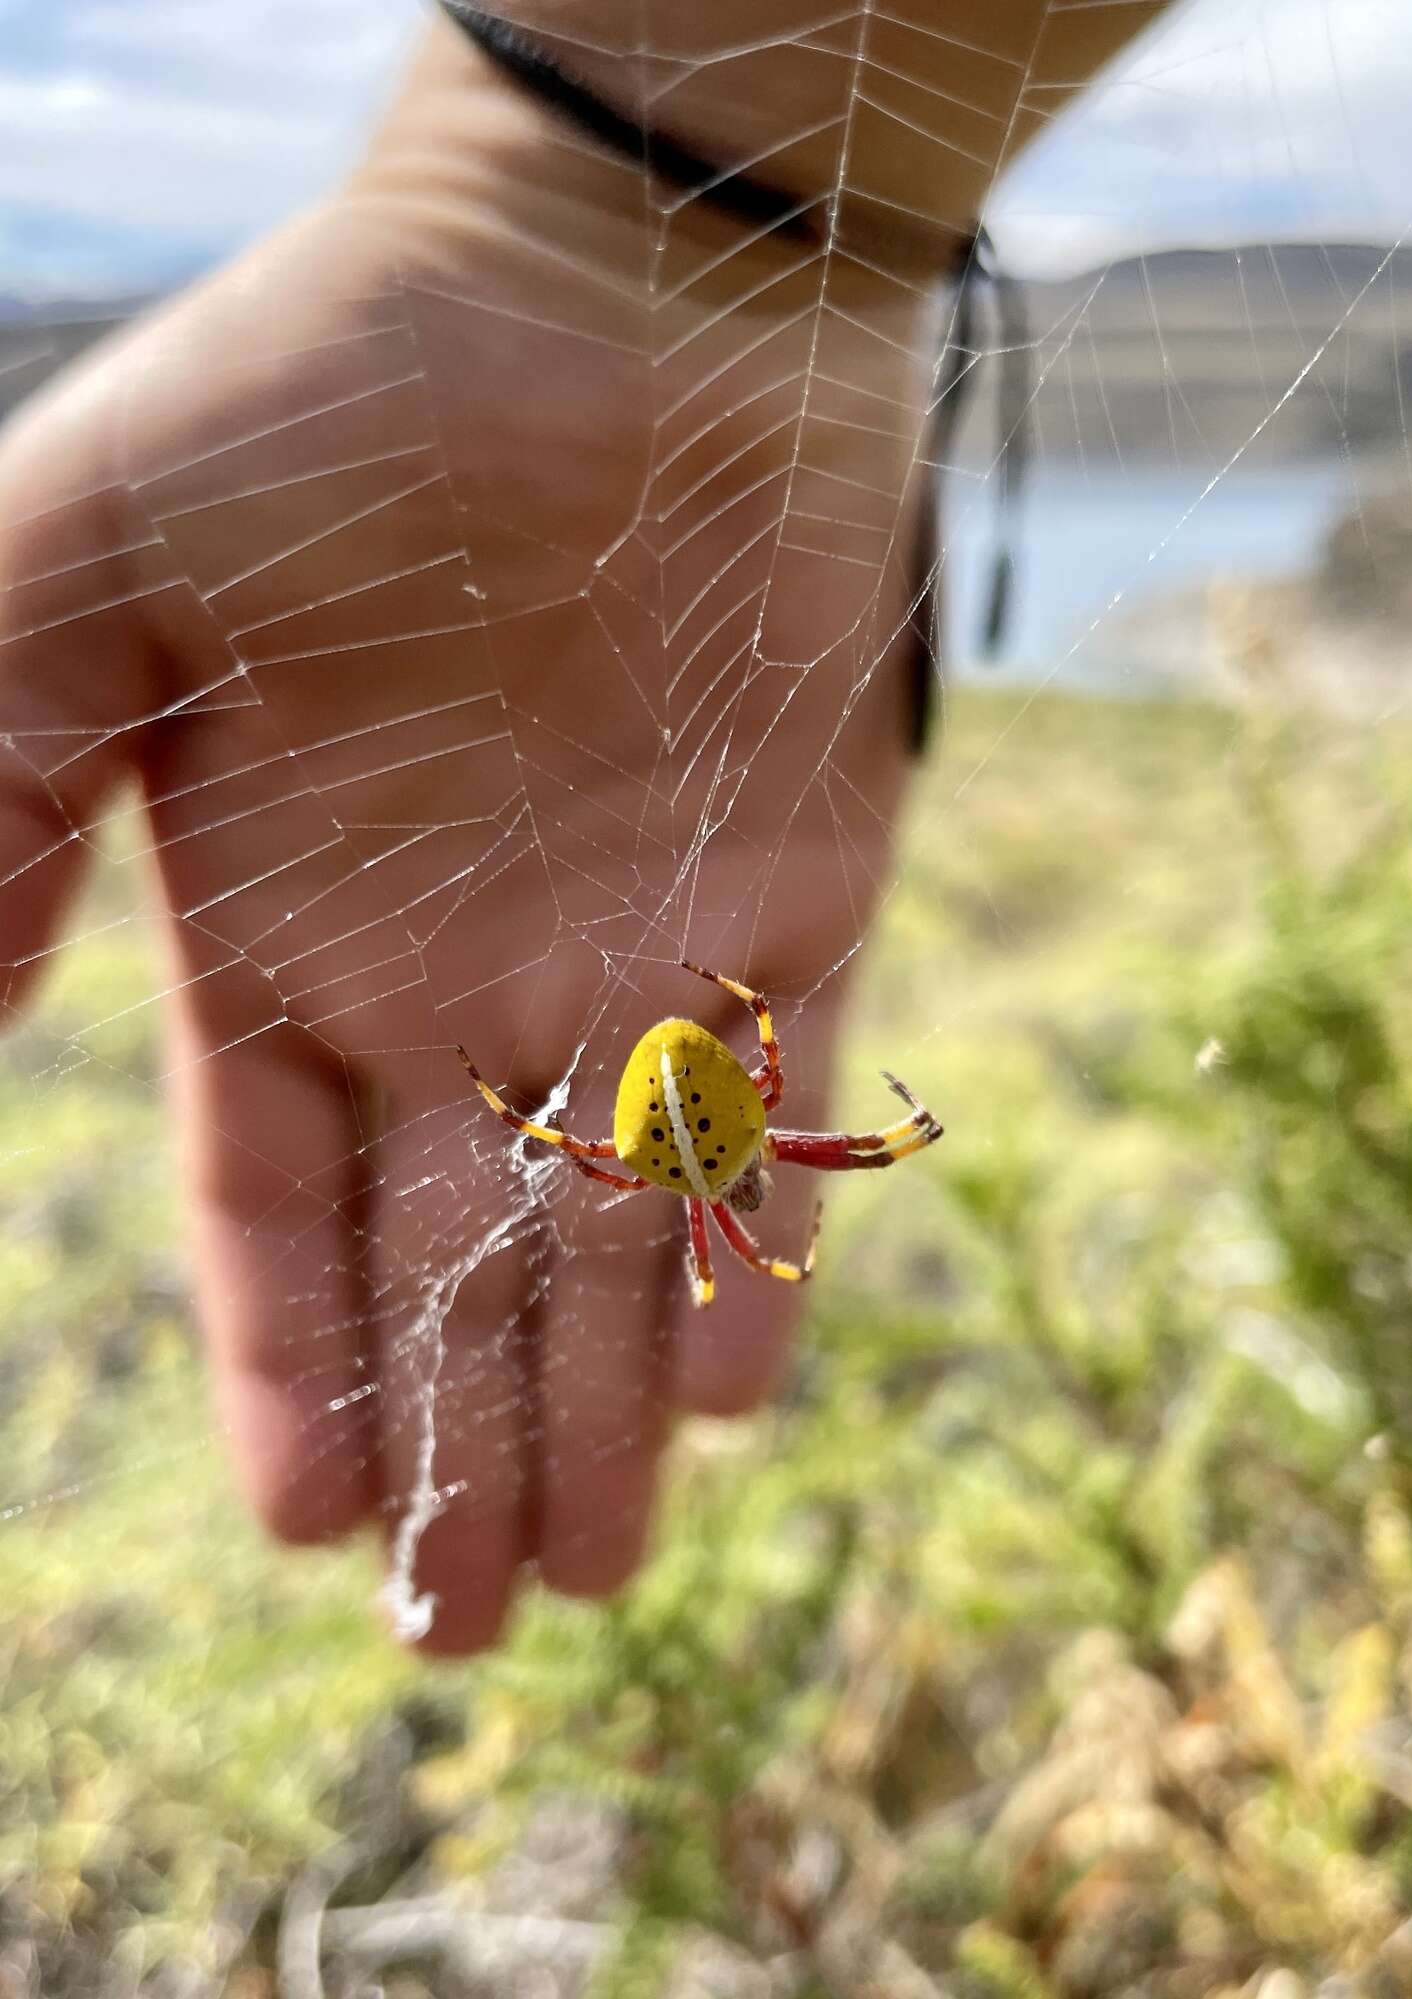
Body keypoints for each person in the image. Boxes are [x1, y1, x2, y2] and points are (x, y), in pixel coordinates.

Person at [0, 1, 1169, 1653]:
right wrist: (580, 198)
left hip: (657, 1063)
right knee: (707, 1248)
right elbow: (693, 1140)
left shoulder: (681, 1132)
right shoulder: (704, 1136)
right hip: (659, 1064)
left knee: (701, 1250)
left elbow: (656, 1140)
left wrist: (574, 185)